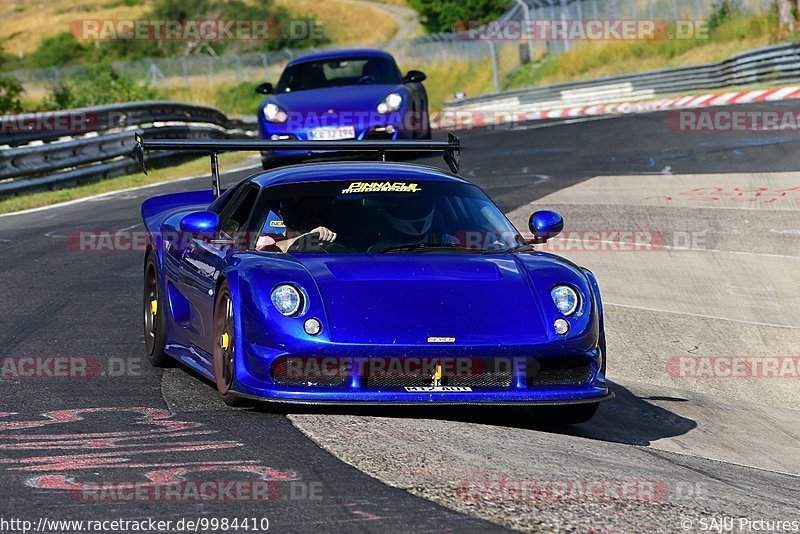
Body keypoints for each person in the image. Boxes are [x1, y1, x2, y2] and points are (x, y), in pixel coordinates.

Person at [255, 197, 337, 252]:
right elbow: (264, 250)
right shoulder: (268, 234)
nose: (314, 218)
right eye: (309, 212)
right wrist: (308, 238)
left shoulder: (339, 234)